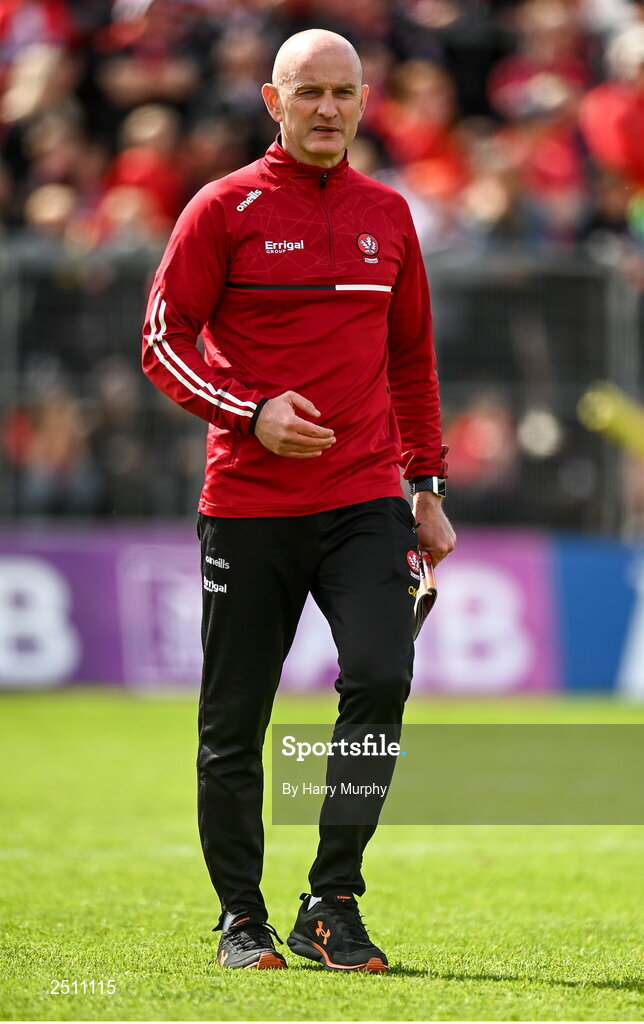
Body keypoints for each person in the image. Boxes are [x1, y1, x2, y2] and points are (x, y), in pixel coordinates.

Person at [141, 28, 455, 973]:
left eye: (344, 93)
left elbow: (412, 362)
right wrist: (251, 414)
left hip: (365, 500)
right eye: (308, 93)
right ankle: (243, 917)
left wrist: (427, 486)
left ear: (365, 103)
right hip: (247, 505)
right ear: (273, 103)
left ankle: (331, 901)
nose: (328, 109)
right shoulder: (221, 207)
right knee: (234, 720)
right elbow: (162, 341)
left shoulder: (391, 214)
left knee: (380, 676)